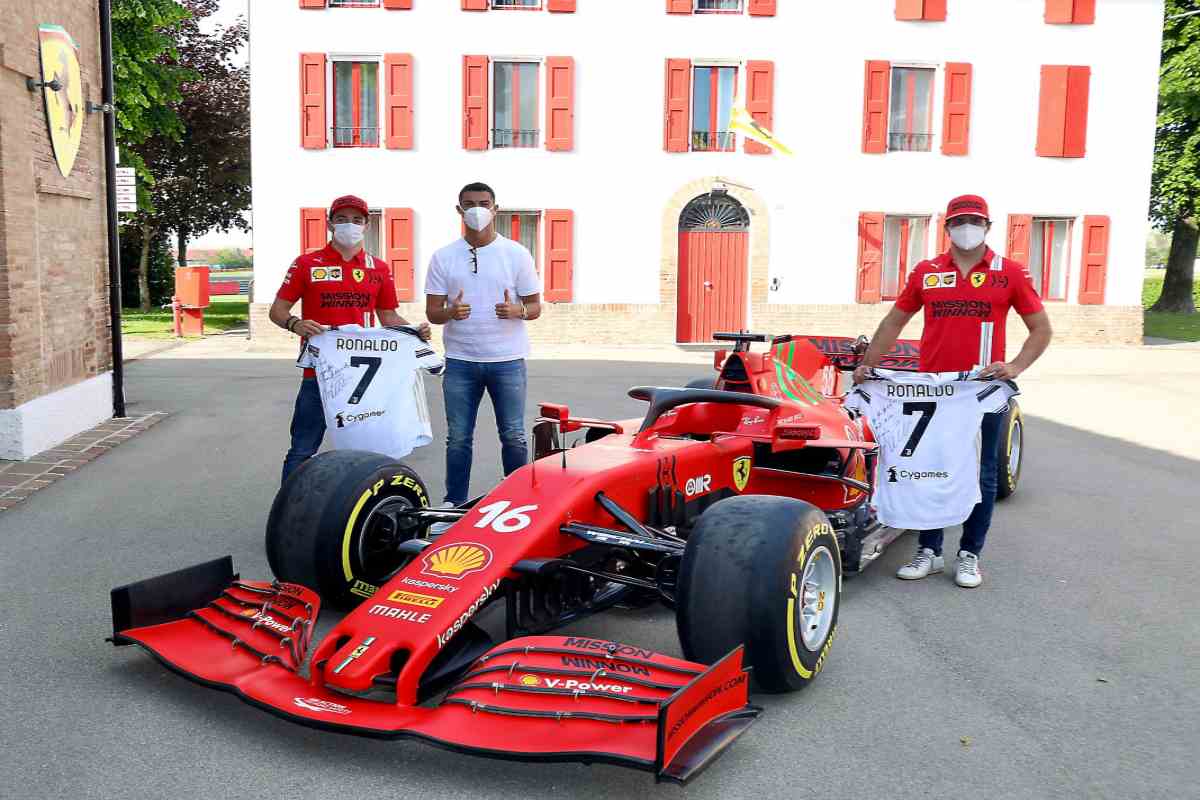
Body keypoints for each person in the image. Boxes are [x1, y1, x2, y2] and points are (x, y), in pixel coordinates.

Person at [852, 194, 1053, 588]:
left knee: (982, 473)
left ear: (987, 227)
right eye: (959, 221)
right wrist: (869, 364)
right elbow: (894, 321)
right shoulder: (926, 272)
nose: (967, 228)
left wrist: (1013, 368)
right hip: (934, 390)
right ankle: (929, 550)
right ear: (947, 228)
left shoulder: (1008, 272)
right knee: (931, 467)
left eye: (974, 221)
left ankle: (969, 554)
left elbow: (1041, 329)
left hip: (983, 390)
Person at [270, 194, 430, 484]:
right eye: (342, 219)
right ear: (330, 224)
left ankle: (362, 507)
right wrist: (296, 324)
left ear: (367, 226)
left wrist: (414, 334)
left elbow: (388, 317)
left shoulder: (378, 267)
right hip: (319, 372)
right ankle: (288, 511)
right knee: (302, 449)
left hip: (366, 378)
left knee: (369, 450)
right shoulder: (307, 263)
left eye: (357, 220)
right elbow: (277, 310)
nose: (349, 225)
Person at [424, 182, 542, 520]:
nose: (477, 209)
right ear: (459, 210)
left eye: (483, 203)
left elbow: (535, 307)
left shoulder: (516, 253)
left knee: (514, 434)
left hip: (507, 360)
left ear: (495, 209)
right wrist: (450, 313)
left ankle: (518, 500)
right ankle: (453, 503)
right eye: (469, 204)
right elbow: (433, 313)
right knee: (458, 437)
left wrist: (516, 311)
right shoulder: (443, 256)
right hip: (461, 360)